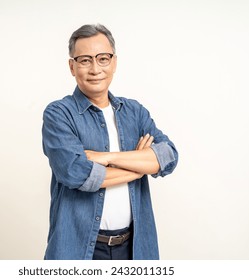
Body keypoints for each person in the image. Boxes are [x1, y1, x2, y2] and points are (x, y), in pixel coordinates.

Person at [42, 24, 178, 260]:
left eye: (103, 58)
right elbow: (76, 173)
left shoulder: (134, 112)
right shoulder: (59, 113)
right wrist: (139, 168)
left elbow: (168, 157)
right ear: (72, 67)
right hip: (79, 249)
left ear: (114, 62)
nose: (95, 69)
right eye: (85, 60)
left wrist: (107, 158)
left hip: (134, 248)